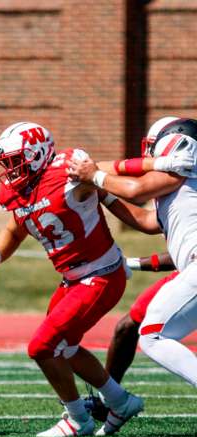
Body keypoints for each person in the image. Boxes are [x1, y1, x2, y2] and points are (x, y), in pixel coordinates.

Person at [0, 121, 145, 437]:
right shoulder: (21, 190)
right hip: (72, 279)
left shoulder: (68, 172)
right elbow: (15, 228)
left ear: (37, 155)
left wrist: (151, 168)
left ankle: (78, 418)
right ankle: (121, 401)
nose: (8, 170)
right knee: (65, 347)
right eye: (6, 163)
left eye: (14, 161)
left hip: (100, 275)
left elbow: (110, 176)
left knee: (42, 346)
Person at [68, 121, 197, 392]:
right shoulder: (183, 189)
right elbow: (147, 221)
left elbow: (135, 190)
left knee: (153, 335)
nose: (151, 156)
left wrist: (95, 176)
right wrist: (102, 193)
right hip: (190, 267)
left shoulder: (181, 169)